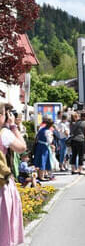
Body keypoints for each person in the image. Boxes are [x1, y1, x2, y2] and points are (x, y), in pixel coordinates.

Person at [0, 103, 27, 246]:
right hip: (2, 184)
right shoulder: (4, 133)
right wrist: (13, 126)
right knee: (3, 223)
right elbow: (22, 147)